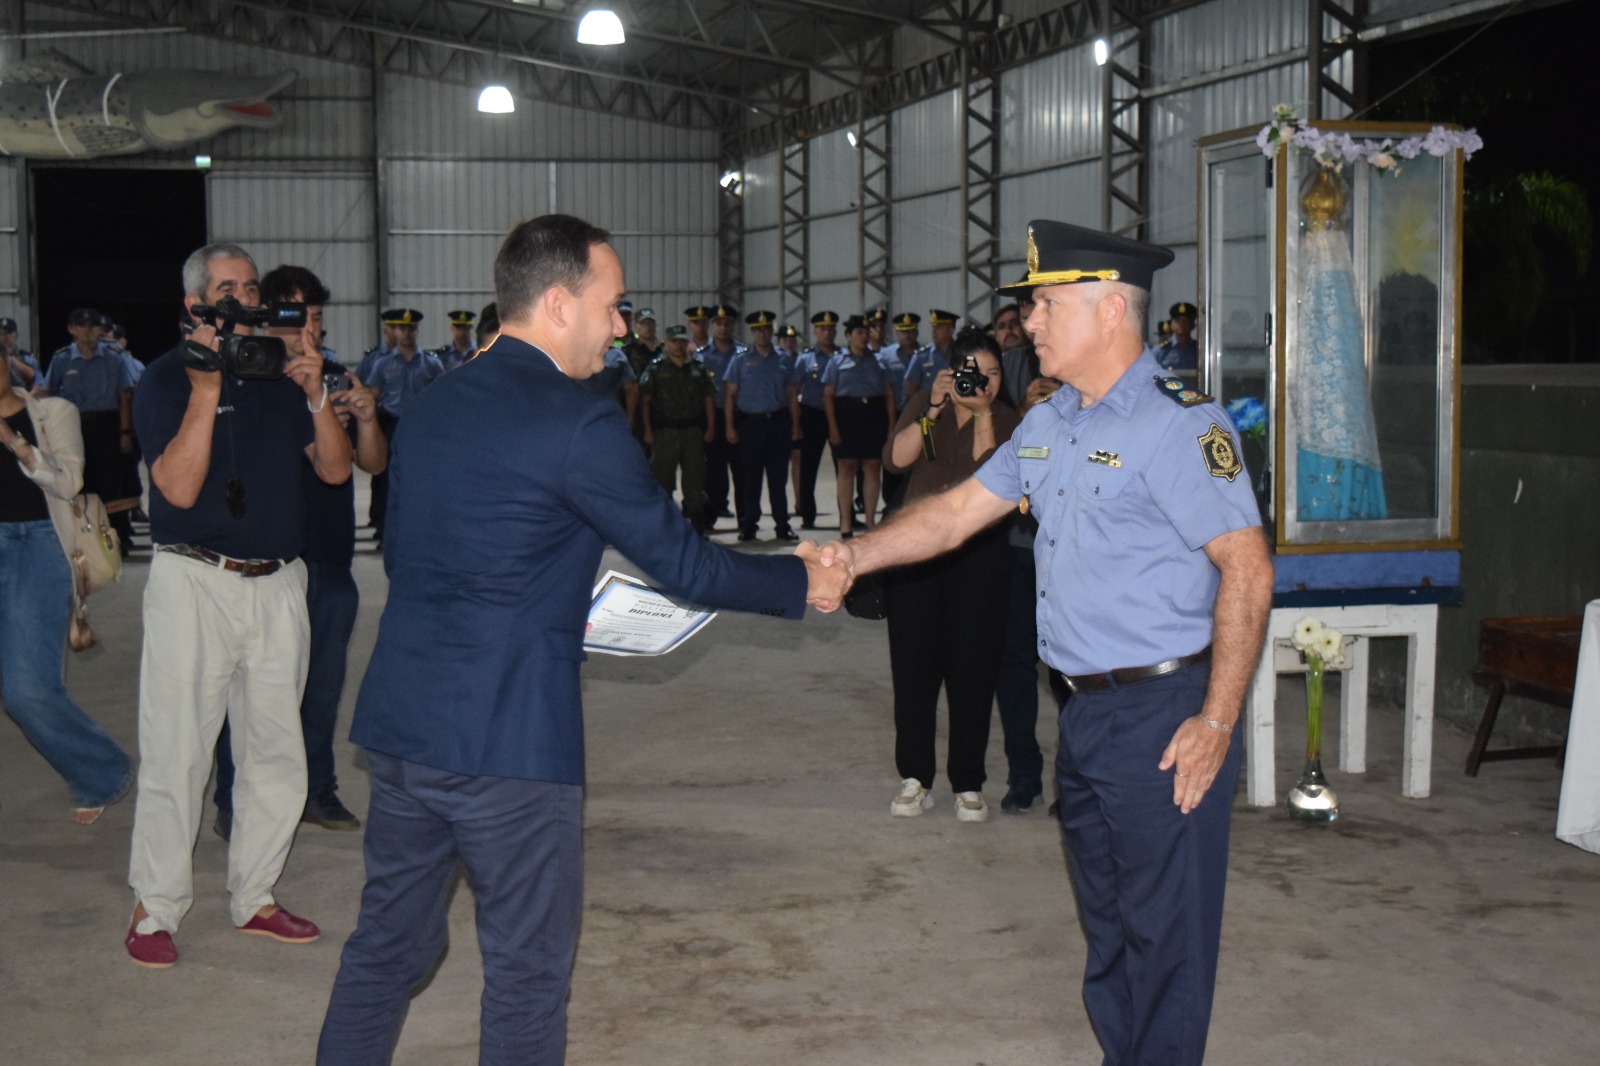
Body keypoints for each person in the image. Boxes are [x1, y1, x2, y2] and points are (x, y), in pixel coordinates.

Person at [316, 213, 847, 1066]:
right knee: (526, 976)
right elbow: (685, 565)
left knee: (386, 949)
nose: (624, 326)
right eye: (616, 305)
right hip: (511, 742)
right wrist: (801, 576)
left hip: (405, 725)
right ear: (560, 303)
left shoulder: (437, 399)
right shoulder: (580, 421)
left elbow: (415, 554)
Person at [817, 220, 1273, 1066]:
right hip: (1086, 714)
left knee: (1165, 939)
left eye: (1046, 305)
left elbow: (1248, 570)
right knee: (1107, 929)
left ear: (1109, 310)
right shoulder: (1052, 421)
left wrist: (1215, 720)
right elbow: (954, 512)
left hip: (1163, 712)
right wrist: (853, 556)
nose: (1028, 323)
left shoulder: (1182, 426)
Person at [123, 241, 354, 969]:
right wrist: (202, 391)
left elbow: (337, 468)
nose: (246, 300)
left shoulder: (284, 381)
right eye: (229, 288)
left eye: (252, 287)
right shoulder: (164, 379)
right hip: (195, 581)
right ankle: (155, 908)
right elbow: (180, 491)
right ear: (197, 304)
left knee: (274, 751)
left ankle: (254, 896)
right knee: (179, 750)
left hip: (279, 583)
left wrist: (315, 393)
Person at [211, 265, 388, 841]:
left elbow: (372, 465)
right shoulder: (245, 380)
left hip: (329, 559)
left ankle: (317, 788)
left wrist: (360, 419)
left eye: (313, 316)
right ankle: (235, 799)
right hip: (266, 558)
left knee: (323, 685)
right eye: (293, 314)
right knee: (252, 690)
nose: (304, 326)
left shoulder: (336, 376)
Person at [880, 328, 1018, 822]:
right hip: (917, 559)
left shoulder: (1008, 417)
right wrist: (933, 408)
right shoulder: (925, 402)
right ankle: (915, 778)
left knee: (972, 673)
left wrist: (982, 415)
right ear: (951, 369)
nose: (984, 382)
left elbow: (993, 478)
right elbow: (896, 462)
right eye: (974, 372)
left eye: (994, 373)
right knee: (914, 672)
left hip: (979, 559)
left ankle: (968, 781)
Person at [1, 381, 133, 824]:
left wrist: (14, 441)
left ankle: (101, 771)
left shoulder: (52, 412)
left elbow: (70, 480)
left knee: (27, 689)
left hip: (36, 545)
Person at [38, 308, 142, 556]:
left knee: (112, 485)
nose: (88, 330)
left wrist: (126, 432)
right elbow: (48, 394)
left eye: (93, 326)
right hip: (75, 426)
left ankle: (119, 537)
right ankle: (87, 539)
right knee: (81, 483)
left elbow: (124, 396)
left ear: (100, 330)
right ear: (71, 329)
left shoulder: (114, 358)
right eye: (81, 325)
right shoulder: (62, 359)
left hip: (107, 425)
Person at [363, 309, 443, 543]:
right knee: (388, 480)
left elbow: (441, 397)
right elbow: (373, 395)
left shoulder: (432, 364)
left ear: (417, 331)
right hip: (391, 425)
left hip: (422, 429)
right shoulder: (383, 364)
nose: (406, 333)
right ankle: (387, 530)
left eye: (410, 329)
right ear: (395, 331)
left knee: (422, 477)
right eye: (401, 328)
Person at [725, 310, 801, 542]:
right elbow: (730, 396)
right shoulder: (740, 360)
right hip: (750, 425)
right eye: (757, 330)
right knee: (751, 479)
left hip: (778, 423)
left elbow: (791, 395)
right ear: (752, 333)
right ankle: (749, 524)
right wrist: (730, 426)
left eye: (766, 329)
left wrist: (796, 425)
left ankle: (782, 524)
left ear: (771, 332)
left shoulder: (784, 359)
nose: (762, 333)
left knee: (778, 479)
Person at [822, 315, 896, 537]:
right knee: (846, 467)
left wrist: (892, 425)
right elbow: (828, 397)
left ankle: (871, 521)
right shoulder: (837, 361)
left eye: (867, 332)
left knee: (872, 467)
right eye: (859, 333)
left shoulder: (879, 361)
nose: (865, 337)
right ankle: (846, 522)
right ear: (848, 336)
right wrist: (833, 427)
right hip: (846, 415)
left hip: (873, 415)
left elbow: (889, 395)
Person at [640, 324, 713, 531]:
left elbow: (708, 398)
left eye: (682, 341)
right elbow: (646, 401)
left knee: (695, 479)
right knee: (663, 480)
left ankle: (698, 525)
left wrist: (710, 428)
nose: (678, 345)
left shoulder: (697, 368)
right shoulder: (655, 368)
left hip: (692, 432)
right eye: (674, 341)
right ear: (666, 343)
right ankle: (665, 528)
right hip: (665, 432)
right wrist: (647, 430)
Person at [694, 303, 746, 530]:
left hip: (739, 416)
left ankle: (746, 519)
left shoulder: (743, 354)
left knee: (743, 470)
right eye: (718, 323)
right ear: (711, 326)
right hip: (712, 416)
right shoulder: (701, 357)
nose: (723, 327)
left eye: (727, 323)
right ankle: (711, 515)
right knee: (713, 470)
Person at [791, 311, 840, 530]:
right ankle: (807, 514)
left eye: (830, 329)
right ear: (815, 332)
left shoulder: (843, 356)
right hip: (812, 415)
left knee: (844, 467)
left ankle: (847, 513)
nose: (827, 333)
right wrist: (797, 421)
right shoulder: (805, 359)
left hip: (840, 415)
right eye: (822, 329)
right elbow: (794, 390)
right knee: (808, 467)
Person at [902, 308, 958, 400]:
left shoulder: (960, 353)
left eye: (938, 327)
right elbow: (910, 390)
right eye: (933, 327)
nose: (934, 332)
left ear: (950, 330)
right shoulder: (921, 356)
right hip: (929, 408)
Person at [1158, 301, 1199, 370]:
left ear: (1193, 325)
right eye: (1178, 320)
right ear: (1171, 325)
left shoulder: (1198, 350)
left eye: (1186, 320)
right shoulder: (1160, 350)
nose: (1181, 324)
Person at [3, 317, 40, 389]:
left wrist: (11, 359)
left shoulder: (28, 359)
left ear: (16, 335)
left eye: (9, 332)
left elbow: (39, 386)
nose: (5, 336)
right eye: (2, 333)